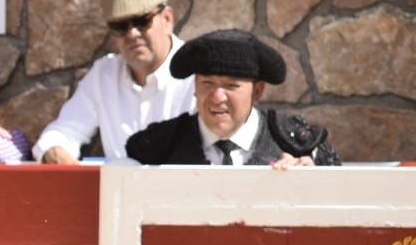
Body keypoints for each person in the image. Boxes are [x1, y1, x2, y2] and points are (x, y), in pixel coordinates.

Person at [31, 0, 195, 163]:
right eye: (120, 26)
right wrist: (56, 153)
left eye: (142, 21)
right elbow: (64, 131)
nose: (132, 33)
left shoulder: (199, 73)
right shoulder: (104, 75)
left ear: (167, 19)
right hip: (119, 191)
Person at [125, 29, 340, 167]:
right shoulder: (157, 149)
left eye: (231, 86)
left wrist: (310, 182)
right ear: (194, 87)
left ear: (257, 92)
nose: (217, 98)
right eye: (207, 83)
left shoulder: (299, 146)